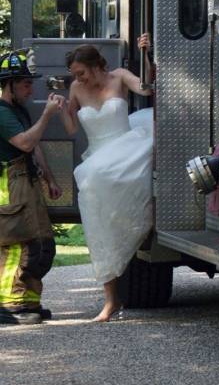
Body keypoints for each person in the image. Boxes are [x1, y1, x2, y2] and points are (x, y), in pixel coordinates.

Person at [58, 36, 154, 322]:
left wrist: (145, 54)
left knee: (94, 178)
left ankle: (142, 230)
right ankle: (110, 299)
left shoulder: (119, 77)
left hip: (126, 149)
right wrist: (62, 109)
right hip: (99, 155)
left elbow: (146, 89)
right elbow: (71, 128)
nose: (79, 79)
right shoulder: (76, 88)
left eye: (81, 72)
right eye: (75, 75)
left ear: (96, 66)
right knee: (98, 219)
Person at [0, 49, 64, 325]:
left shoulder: (18, 111)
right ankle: (8, 307)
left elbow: (35, 146)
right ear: (10, 84)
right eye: (26, 84)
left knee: (42, 246)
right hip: (9, 184)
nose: (31, 89)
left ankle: (28, 301)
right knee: (18, 246)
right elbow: (25, 143)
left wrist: (50, 179)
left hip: (27, 181)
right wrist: (48, 115)